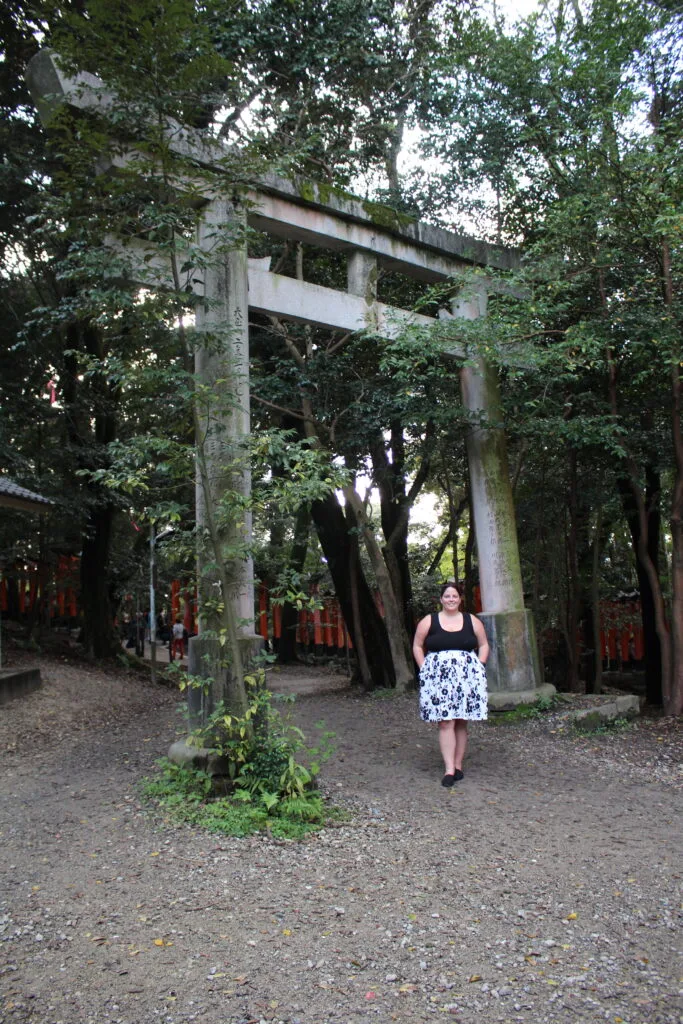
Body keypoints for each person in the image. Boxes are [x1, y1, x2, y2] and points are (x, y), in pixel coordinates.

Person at [413, 581, 489, 787]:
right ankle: (448, 769)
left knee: (461, 720)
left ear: (460, 599)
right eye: (447, 596)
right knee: (446, 721)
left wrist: (479, 666)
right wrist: (424, 669)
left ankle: (458, 765)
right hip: (438, 678)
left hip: (467, 678)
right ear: (441, 599)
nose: (451, 599)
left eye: (454, 596)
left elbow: (483, 644)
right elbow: (418, 645)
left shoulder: (471, 620)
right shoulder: (429, 621)